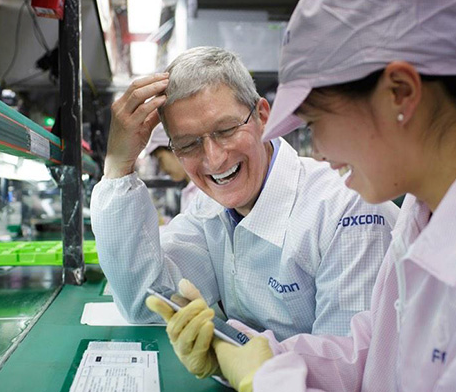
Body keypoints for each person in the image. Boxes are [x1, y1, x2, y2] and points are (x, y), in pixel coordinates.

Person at [147, 0, 456, 391]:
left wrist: (268, 381)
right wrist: (244, 351)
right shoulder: (424, 212)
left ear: (400, 93)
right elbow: (373, 354)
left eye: (316, 121)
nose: (317, 151)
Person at [90, 45, 399, 373]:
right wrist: (118, 166)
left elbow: (350, 371)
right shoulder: (209, 210)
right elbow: (147, 303)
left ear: (263, 117)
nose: (214, 158)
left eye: (225, 130)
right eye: (188, 144)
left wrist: (235, 358)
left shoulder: (345, 211)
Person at [143, 123, 199, 213]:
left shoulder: (202, 192)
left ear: (175, 149)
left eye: (160, 160)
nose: (162, 169)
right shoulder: (190, 190)